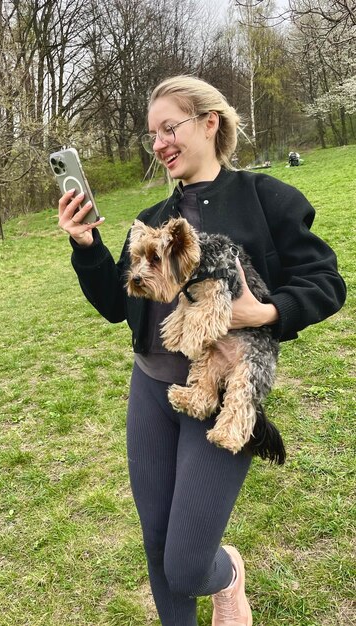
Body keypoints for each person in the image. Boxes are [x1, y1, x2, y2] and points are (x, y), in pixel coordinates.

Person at [58, 76, 346, 626]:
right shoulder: (151, 220)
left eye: (171, 127)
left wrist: (263, 312)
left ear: (210, 122)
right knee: (158, 546)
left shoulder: (269, 200)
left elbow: (327, 283)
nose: (160, 143)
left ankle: (227, 575)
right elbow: (117, 306)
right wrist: (86, 246)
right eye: (153, 134)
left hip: (222, 392)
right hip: (152, 388)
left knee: (188, 565)